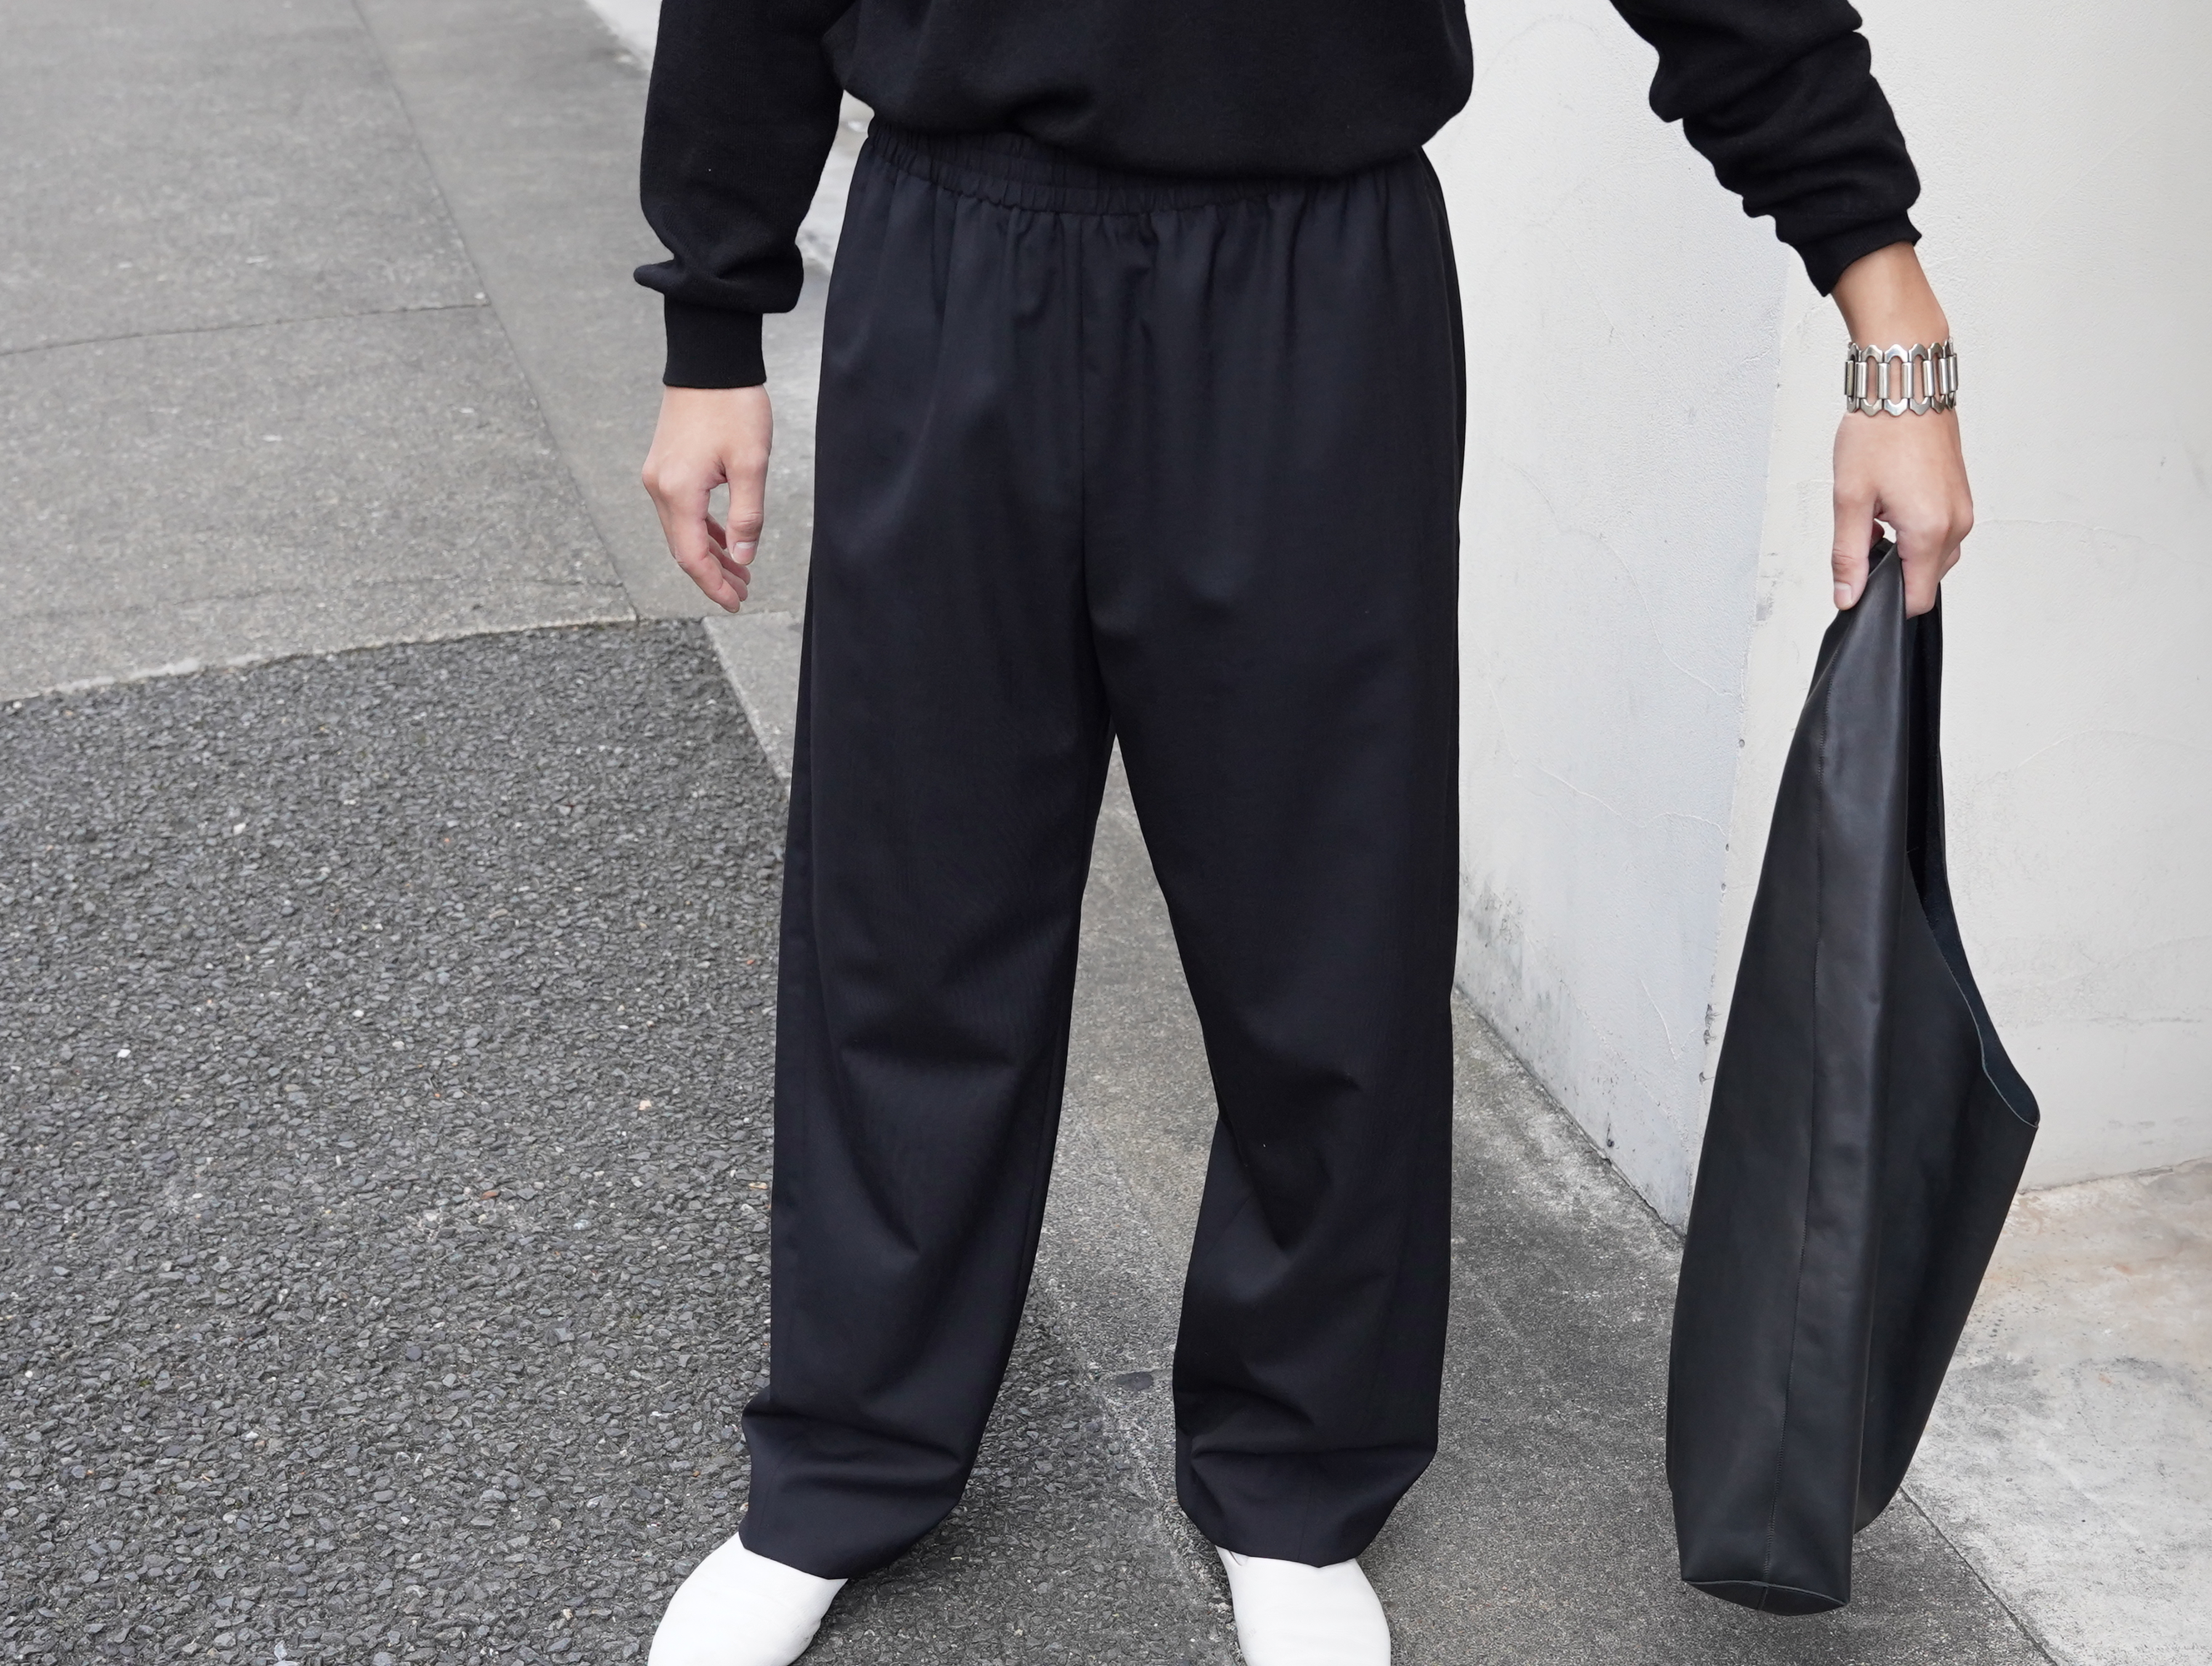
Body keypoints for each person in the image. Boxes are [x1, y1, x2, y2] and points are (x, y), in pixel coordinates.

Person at [631, 0, 1973, 1658]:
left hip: (1311, 279)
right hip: (951, 255)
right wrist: (712, 322)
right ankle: (847, 1451)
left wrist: (1884, 300)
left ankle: (1293, 1469)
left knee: (1328, 933)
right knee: (906, 908)